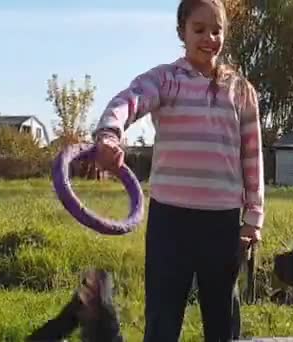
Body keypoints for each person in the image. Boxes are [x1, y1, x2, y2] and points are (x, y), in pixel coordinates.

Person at [91, 0, 265, 341]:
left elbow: (252, 156)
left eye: (217, 30)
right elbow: (128, 101)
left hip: (223, 221)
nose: (209, 38)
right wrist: (110, 135)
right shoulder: (164, 80)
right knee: (162, 316)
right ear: (181, 32)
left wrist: (253, 217)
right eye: (199, 29)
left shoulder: (241, 91)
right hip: (170, 220)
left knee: (222, 318)